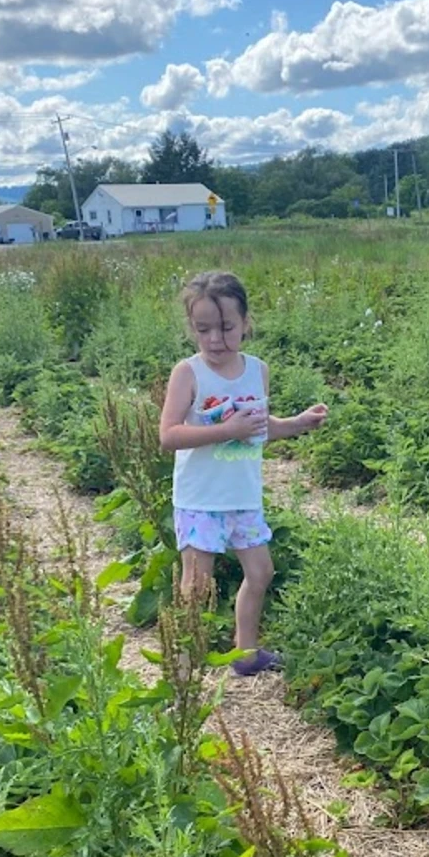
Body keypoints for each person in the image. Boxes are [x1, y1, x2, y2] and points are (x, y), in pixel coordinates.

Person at [159, 271, 328, 676]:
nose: (216, 340)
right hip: (201, 498)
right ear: (192, 328)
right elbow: (168, 435)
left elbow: (258, 428)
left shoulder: (257, 370)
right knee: (196, 588)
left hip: (243, 497)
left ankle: (246, 654)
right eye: (204, 330)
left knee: (261, 572)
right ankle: (181, 672)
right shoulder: (189, 373)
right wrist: (225, 431)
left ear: (246, 322)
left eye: (226, 328)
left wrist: (298, 424)